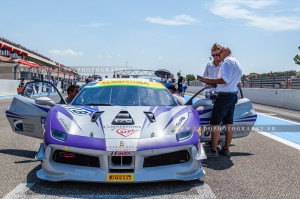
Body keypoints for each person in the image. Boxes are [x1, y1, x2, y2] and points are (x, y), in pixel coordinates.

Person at [198, 45, 242, 158]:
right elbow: (232, 81)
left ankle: (213, 150)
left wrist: (209, 80)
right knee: (229, 123)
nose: (218, 56)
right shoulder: (236, 61)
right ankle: (226, 149)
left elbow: (225, 80)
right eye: (214, 55)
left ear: (225, 51)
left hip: (223, 96)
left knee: (215, 123)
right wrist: (208, 82)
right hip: (232, 94)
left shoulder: (226, 62)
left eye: (219, 52)